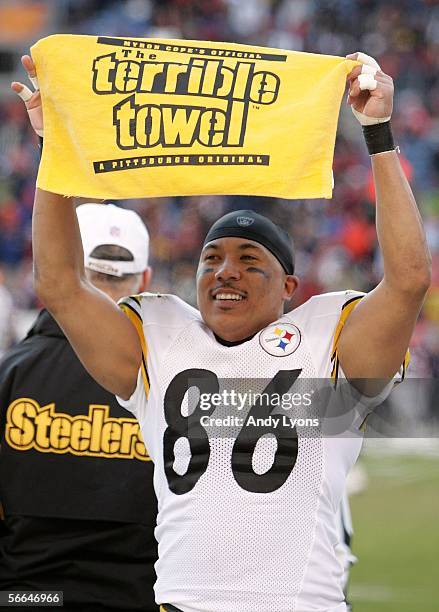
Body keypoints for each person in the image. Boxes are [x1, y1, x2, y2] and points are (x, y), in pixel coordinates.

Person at [12, 50, 431, 612]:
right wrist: (54, 151)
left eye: (249, 258)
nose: (225, 270)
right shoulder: (160, 341)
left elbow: (408, 281)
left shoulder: (327, 341)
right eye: (211, 258)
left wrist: (378, 133)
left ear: (289, 286)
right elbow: (59, 282)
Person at [0, 200, 159, 611]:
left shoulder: (10, 374)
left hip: (26, 599)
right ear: (144, 279)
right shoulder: (175, 382)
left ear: (63, 270)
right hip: (141, 600)